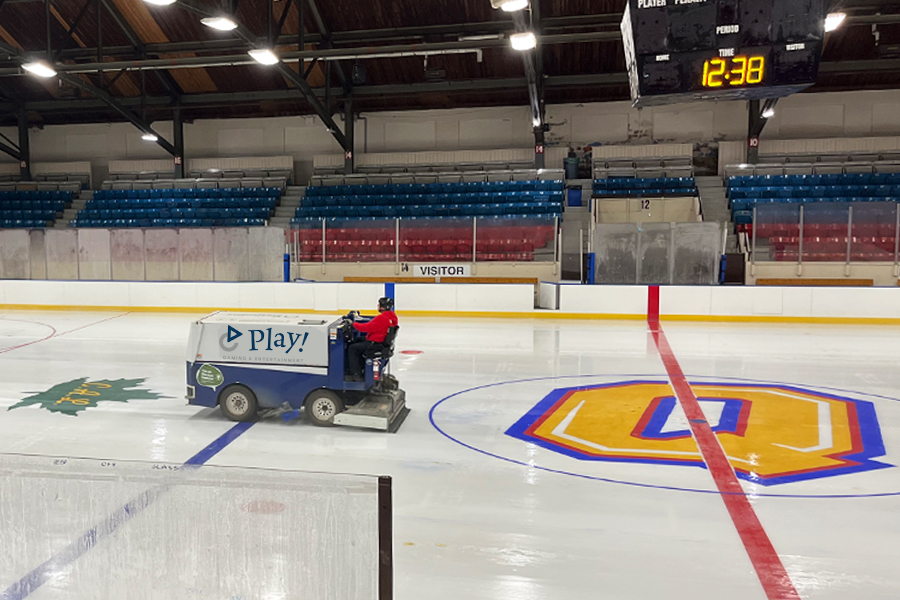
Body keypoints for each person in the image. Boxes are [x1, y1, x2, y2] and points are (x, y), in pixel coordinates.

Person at [346, 297, 399, 381]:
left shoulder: (382, 318)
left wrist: (353, 324)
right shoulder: (392, 317)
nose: (378, 306)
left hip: (376, 343)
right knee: (358, 340)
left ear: (383, 307)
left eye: (379, 305)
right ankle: (360, 366)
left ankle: (356, 374)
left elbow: (367, 328)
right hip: (381, 341)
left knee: (352, 348)